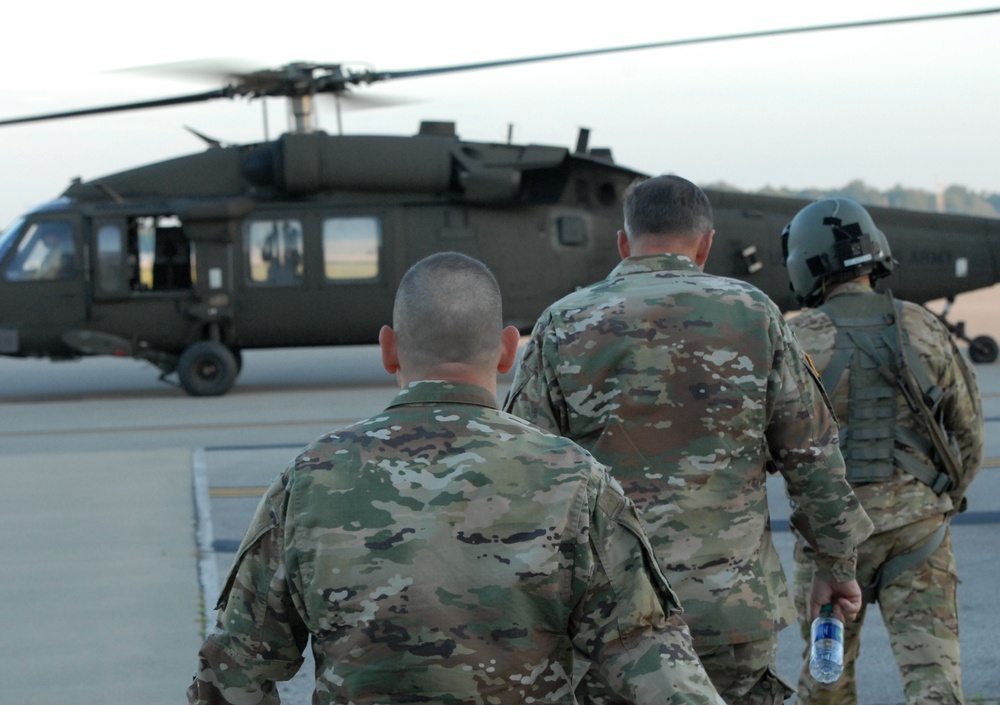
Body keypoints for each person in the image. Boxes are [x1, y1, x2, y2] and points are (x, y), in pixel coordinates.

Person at [187, 251, 726, 705]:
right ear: (509, 350)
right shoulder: (574, 482)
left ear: (388, 348)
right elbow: (652, 659)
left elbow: (236, 669)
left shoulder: (310, 481)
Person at [504, 175, 874, 705]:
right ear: (706, 244)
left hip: (608, 623)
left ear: (623, 243)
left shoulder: (562, 323)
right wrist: (836, 569)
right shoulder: (754, 314)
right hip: (731, 616)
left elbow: (525, 475)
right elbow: (813, 459)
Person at [781, 198, 984, 704]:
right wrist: (939, 499)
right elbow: (969, 435)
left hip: (833, 543)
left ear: (806, 262)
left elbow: (771, 446)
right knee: (935, 682)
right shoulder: (923, 328)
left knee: (825, 683)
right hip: (918, 535)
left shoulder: (795, 337)